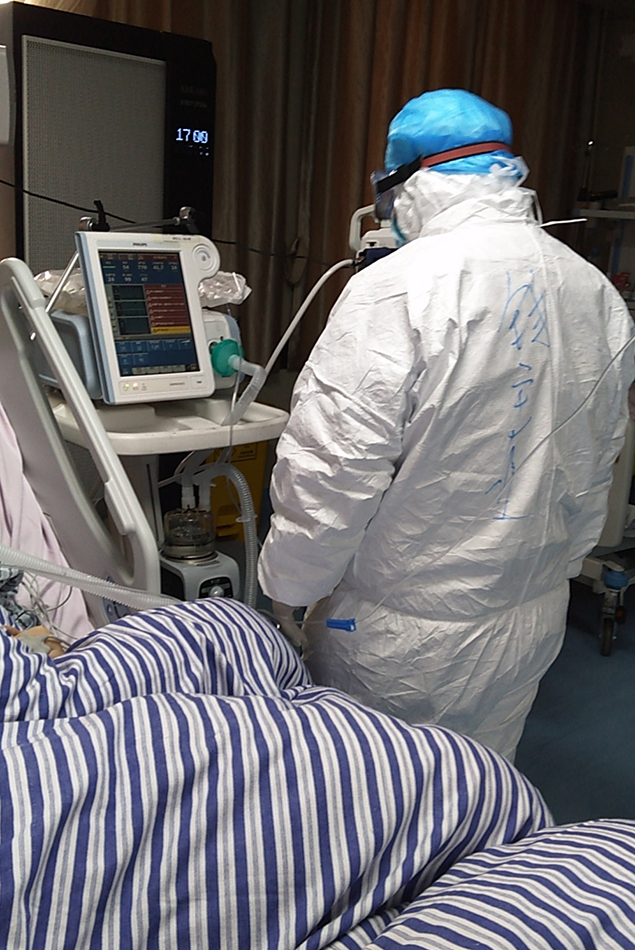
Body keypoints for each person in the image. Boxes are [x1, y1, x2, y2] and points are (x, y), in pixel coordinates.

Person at [257, 88, 635, 761]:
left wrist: (288, 589)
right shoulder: (595, 291)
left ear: (407, 183)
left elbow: (332, 470)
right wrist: (558, 565)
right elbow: (598, 455)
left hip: (401, 638)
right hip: (531, 617)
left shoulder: (396, 288)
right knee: (478, 785)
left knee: (372, 794)